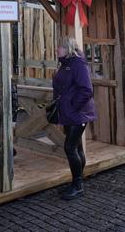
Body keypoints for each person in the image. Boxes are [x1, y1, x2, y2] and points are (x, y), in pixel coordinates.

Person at [52, 36, 96, 200]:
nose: (57, 49)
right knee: (76, 148)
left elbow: (86, 90)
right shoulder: (65, 64)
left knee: (70, 148)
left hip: (77, 113)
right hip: (69, 113)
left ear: (68, 48)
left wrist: (72, 106)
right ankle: (77, 181)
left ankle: (77, 185)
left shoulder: (78, 64)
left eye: (60, 47)